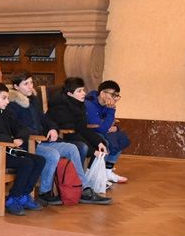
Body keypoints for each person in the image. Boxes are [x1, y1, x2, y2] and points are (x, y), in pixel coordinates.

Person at [8, 73, 110, 205]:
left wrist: (52, 128)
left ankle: (84, 188)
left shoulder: (33, 100)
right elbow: (16, 127)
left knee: (72, 148)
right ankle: (45, 192)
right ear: (16, 87)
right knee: (53, 154)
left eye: (31, 83)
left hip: (42, 140)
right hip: (27, 143)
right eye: (26, 84)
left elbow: (44, 119)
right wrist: (33, 135)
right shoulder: (12, 104)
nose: (30, 86)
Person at [0, 83, 47, 216]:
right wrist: (10, 140)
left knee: (39, 160)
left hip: (6, 150)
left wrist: (20, 137)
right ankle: (13, 199)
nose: (7, 101)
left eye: (8, 98)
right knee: (26, 163)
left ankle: (23, 195)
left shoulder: (5, 112)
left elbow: (20, 128)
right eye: (4, 98)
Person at [46, 77, 110, 166]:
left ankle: (89, 172)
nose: (84, 93)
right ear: (69, 94)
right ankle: (76, 173)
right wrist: (93, 151)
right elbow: (72, 133)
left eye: (83, 90)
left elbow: (83, 128)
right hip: (61, 137)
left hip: (74, 135)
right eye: (79, 91)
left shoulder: (78, 104)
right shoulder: (60, 108)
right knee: (83, 147)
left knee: (103, 143)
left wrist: (98, 142)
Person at [85, 81, 130, 182]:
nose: (115, 99)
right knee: (105, 142)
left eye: (117, 96)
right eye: (113, 95)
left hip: (101, 129)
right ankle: (96, 175)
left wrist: (115, 128)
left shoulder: (106, 104)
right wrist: (111, 110)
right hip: (89, 131)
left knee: (121, 138)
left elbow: (110, 123)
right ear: (102, 93)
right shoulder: (89, 103)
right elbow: (101, 128)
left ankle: (108, 171)